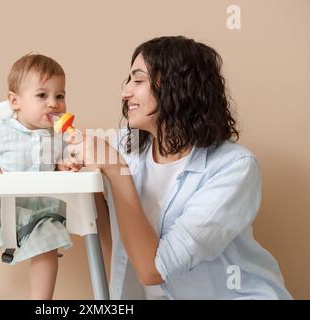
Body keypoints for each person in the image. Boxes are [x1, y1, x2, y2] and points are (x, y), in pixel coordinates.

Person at [70, 36, 292, 299]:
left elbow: (153, 271)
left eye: (138, 80)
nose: (125, 92)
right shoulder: (124, 148)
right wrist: (83, 173)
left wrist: (117, 170)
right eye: (128, 80)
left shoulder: (234, 168)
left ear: (176, 86)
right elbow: (121, 247)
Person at [0, 53, 80, 300]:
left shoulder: (59, 137)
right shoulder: (0, 130)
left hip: (40, 214)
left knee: (49, 246)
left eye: (60, 96)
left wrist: (65, 165)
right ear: (15, 101)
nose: (53, 103)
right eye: (42, 95)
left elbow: (64, 162)